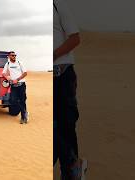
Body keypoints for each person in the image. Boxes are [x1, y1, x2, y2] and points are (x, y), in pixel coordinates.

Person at [53, 0, 87, 179]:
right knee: (50, 127)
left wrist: (52, 55)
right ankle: (73, 165)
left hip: (63, 76)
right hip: (43, 78)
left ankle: (72, 171)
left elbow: (75, 38)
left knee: (67, 124)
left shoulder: (58, 6)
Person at [3, 51, 29, 124]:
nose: (14, 56)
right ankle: (25, 112)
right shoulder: (7, 64)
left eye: (15, 55)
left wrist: (17, 79)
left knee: (22, 100)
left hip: (21, 85)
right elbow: (3, 73)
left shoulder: (19, 63)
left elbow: (25, 73)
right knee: (13, 100)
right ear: (9, 57)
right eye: (12, 55)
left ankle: (23, 117)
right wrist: (8, 78)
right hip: (13, 86)